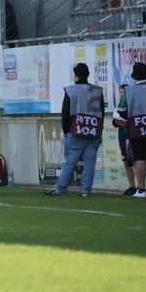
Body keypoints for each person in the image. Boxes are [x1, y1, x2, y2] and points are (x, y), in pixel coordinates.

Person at [45, 63, 105, 197]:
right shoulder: (98, 91)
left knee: (69, 161)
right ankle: (86, 190)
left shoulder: (70, 90)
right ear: (88, 75)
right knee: (90, 161)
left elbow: (65, 112)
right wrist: (99, 131)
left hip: (76, 130)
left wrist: (66, 130)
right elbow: (101, 112)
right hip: (93, 130)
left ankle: (60, 188)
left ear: (75, 75)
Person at [114, 63, 146, 198]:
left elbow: (121, 111)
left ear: (134, 77)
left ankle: (141, 190)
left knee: (139, 159)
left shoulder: (129, 90)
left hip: (137, 128)